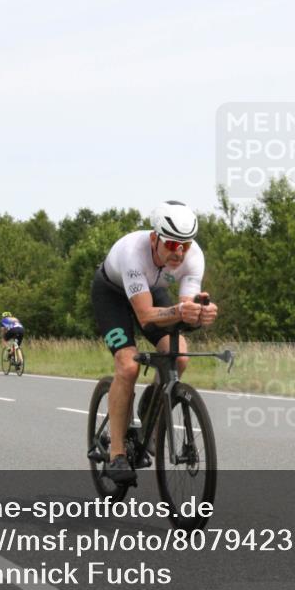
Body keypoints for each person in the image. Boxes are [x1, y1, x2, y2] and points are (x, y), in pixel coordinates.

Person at [91, 201, 218, 484]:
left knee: (180, 355)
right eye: (171, 244)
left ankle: (152, 402)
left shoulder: (193, 256)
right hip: (112, 295)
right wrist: (182, 311)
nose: (179, 252)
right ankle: (117, 453)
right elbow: (145, 314)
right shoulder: (133, 253)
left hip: (152, 291)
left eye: (184, 245)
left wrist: (200, 314)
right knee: (127, 365)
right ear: (154, 239)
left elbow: (184, 308)